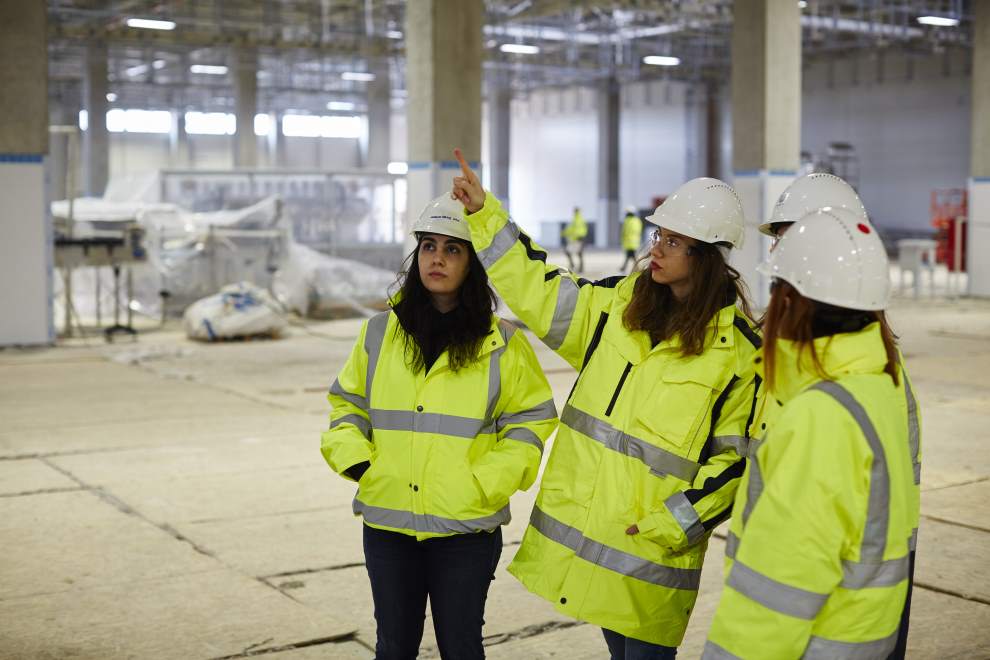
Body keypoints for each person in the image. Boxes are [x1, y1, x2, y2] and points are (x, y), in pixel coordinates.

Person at [452, 148, 762, 659]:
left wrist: (674, 524)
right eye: (659, 236)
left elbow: (737, 460)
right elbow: (538, 290)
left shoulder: (738, 352)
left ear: (705, 256)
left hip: (653, 552)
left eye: (674, 241)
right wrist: (486, 214)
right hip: (595, 543)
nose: (657, 249)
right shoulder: (618, 308)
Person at [320, 193, 558, 660]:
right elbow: (347, 405)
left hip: (465, 526)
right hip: (389, 522)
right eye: (429, 246)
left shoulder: (503, 343)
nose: (438, 259)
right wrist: (360, 466)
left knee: (462, 647)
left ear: (473, 262)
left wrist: (486, 483)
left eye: (453, 249)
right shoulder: (379, 333)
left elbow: (531, 419)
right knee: (393, 646)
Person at [704, 207, 921, 660]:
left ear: (791, 300)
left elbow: (778, 590)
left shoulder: (819, 416)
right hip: (860, 637)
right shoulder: (880, 384)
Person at [562, 205, 588, 272]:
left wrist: (564, 233)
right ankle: (579, 267)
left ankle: (576, 266)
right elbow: (574, 229)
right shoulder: (579, 219)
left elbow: (573, 229)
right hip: (579, 238)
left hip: (577, 239)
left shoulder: (577, 220)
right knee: (578, 253)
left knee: (568, 252)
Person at [620, 206, 644, 272]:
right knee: (631, 255)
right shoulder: (637, 220)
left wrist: (622, 239)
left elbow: (624, 231)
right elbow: (640, 230)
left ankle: (635, 268)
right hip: (635, 241)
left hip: (628, 241)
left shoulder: (627, 220)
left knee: (631, 256)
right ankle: (625, 267)